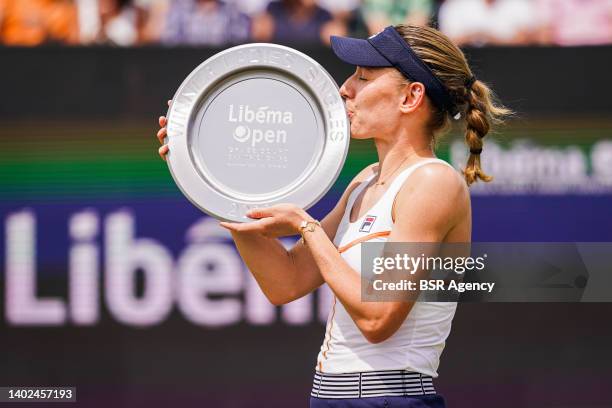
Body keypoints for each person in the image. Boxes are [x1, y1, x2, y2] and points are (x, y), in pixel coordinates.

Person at [156, 24, 509, 407]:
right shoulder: (366, 181)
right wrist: (222, 184)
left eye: (363, 76)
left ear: (411, 96)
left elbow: (378, 319)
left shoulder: (434, 182)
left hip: (390, 399)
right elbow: (285, 282)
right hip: (332, 397)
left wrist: (306, 227)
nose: (346, 89)